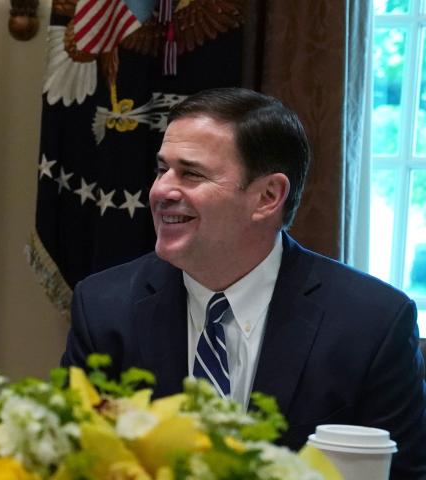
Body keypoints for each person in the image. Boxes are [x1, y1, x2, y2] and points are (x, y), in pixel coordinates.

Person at [61, 87, 426, 477]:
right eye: (161, 169)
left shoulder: (372, 324)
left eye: (191, 173)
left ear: (268, 197)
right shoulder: (103, 307)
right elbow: (70, 462)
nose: (161, 190)